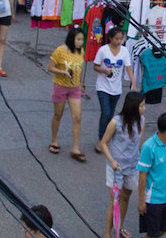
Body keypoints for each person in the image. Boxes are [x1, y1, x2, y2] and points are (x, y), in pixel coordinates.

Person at [98, 92, 144, 238]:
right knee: (115, 201)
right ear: (133, 107)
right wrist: (111, 161)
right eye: (141, 106)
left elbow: (140, 143)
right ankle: (107, 236)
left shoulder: (141, 121)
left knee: (126, 197)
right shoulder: (115, 122)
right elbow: (103, 143)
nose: (144, 109)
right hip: (116, 167)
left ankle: (120, 226)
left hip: (132, 166)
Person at [93, 26, 135, 151]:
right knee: (105, 113)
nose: (119, 41)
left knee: (110, 114)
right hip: (103, 87)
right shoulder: (103, 50)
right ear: (110, 38)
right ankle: (101, 140)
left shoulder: (124, 51)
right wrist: (104, 70)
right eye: (116, 38)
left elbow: (128, 68)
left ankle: (108, 138)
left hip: (116, 89)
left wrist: (134, 84)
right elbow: (95, 66)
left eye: (121, 39)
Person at [48, 26, 87, 161]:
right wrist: (62, 72)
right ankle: (54, 140)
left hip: (74, 87)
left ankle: (75, 148)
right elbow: (50, 67)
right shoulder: (60, 50)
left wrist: (81, 84)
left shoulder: (81, 51)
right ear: (72, 39)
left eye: (82, 39)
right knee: (58, 115)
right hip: (60, 86)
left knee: (77, 117)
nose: (81, 42)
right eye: (78, 39)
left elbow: (80, 69)